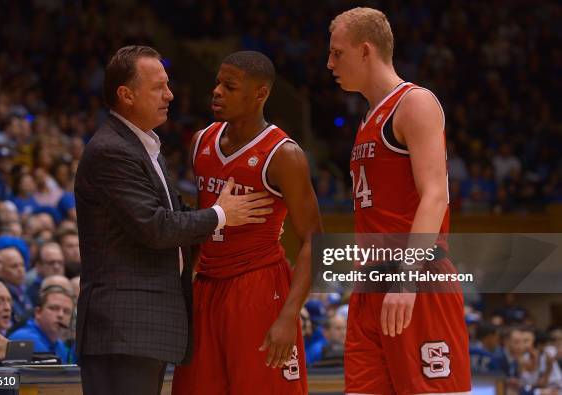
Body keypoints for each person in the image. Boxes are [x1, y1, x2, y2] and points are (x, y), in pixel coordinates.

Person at [75, 45, 274, 395]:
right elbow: (156, 227)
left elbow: (176, 214)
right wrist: (223, 214)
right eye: (158, 87)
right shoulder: (112, 150)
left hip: (141, 328)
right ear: (126, 95)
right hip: (123, 327)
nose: (170, 95)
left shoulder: (142, 144)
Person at [327, 7, 471, 394]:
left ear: (366, 50)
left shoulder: (415, 103)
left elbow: (436, 194)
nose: (329, 63)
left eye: (337, 53)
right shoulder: (367, 119)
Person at [172, 51, 322, 395]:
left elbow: (314, 241)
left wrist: (289, 315)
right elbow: (202, 223)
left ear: (260, 93)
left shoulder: (284, 154)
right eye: (217, 83)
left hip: (258, 287)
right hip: (207, 286)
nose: (217, 92)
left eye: (229, 86)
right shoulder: (201, 141)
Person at [9, 285, 75, 363]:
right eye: (54, 308)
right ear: (38, 312)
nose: (61, 315)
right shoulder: (24, 339)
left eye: (67, 311)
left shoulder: (60, 346)